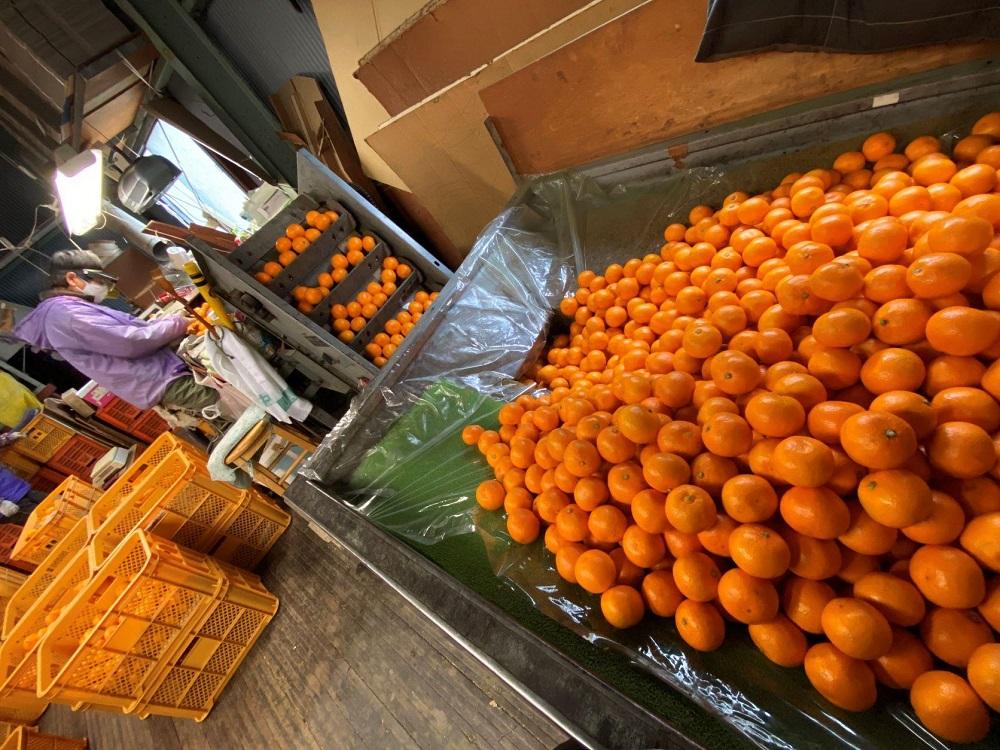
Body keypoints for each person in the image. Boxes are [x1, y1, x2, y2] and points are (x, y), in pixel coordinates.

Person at [5, 249, 218, 414]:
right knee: (229, 408)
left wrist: (159, 324)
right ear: (72, 278)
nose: (103, 287)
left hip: (160, 374)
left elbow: (124, 333)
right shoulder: (65, 313)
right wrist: (176, 323)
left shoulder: (66, 309)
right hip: (161, 380)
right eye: (99, 281)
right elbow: (129, 343)